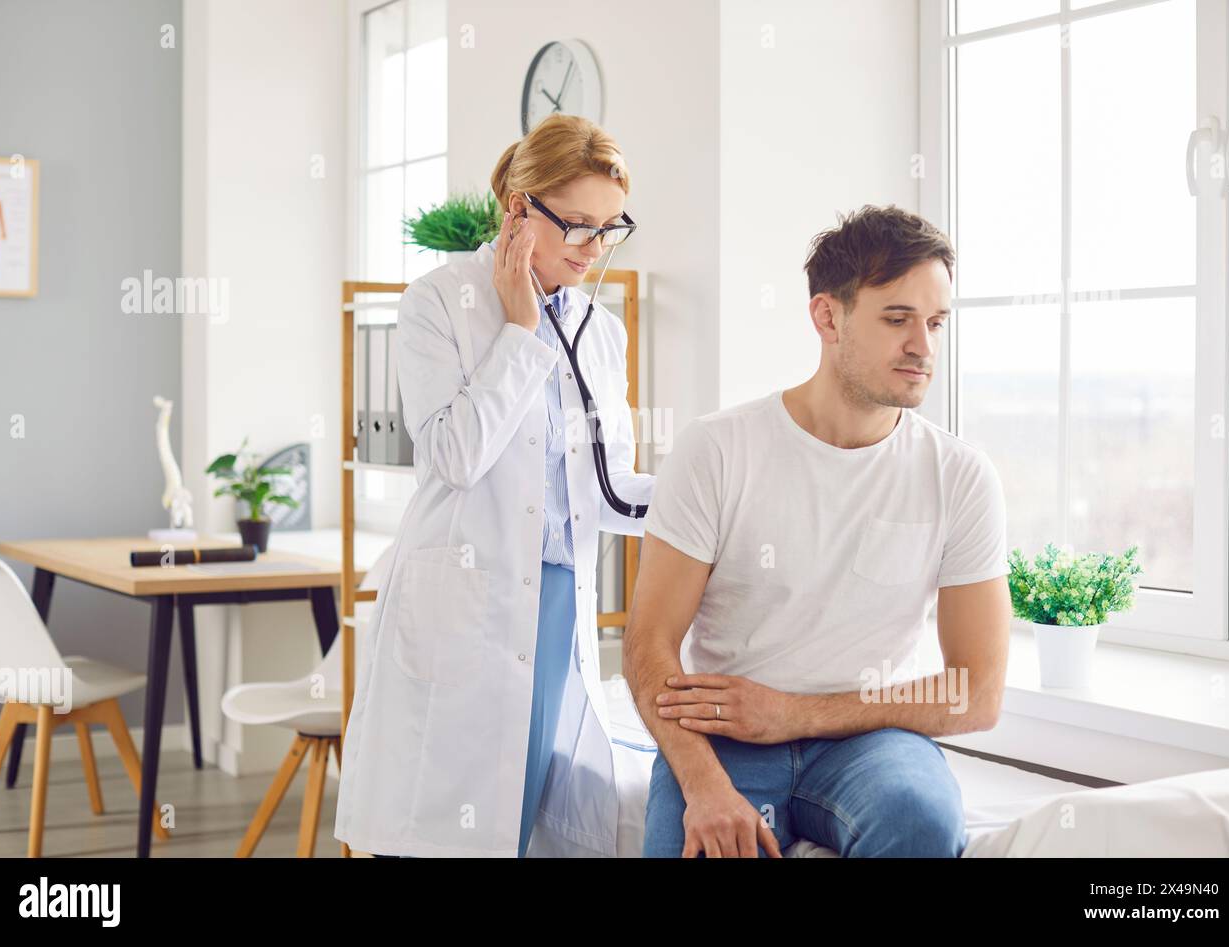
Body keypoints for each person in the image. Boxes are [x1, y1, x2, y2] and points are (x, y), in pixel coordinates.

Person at [624, 205, 1013, 858]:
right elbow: (647, 646)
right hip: (726, 738)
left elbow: (977, 692)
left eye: (936, 322)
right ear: (827, 316)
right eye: (897, 319)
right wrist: (704, 785)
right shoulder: (717, 450)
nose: (925, 346)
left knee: (923, 821)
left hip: (874, 744)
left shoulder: (961, 476)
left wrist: (797, 713)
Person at [334, 114, 654, 858]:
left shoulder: (600, 331)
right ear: (518, 208)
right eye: (576, 224)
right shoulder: (438, 301)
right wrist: (518, 331)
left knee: (511, 833)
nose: (594, 247)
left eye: (610, 228)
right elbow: (453, 453)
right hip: (463, 609)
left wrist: (710, 503)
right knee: (434, 833)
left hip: (552, 615)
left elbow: (604, 488)